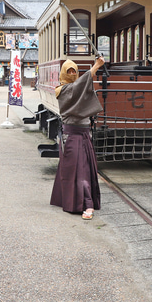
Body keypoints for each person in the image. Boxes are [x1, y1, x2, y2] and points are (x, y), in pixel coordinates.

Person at [50, 55, 105, 220]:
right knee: (79, 172)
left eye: (75, 71)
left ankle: (75, 201)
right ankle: (87, 204)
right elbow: (79, 85)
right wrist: (96, 66)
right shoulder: (62, 90)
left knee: (85, 170)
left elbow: (81, 87)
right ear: (64, 74)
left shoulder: (77, 88)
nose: (73, 74)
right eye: (69, 71)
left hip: (83, 134)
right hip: (72, 136)